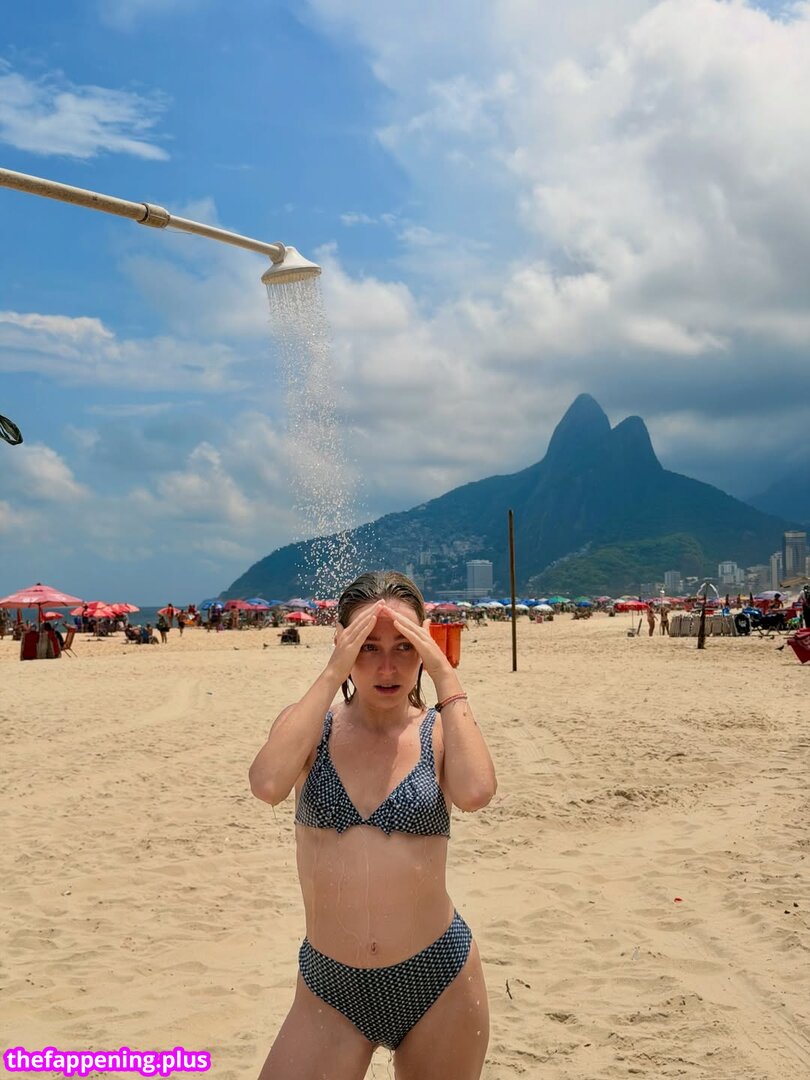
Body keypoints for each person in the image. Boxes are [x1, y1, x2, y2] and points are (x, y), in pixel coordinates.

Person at [249, 571, 497, 1079]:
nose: (388, 667)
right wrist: (330, 672)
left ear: (424, 646)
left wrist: (444, 674)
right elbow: (267, 784)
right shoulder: (312, 729)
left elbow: (475, 792)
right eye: (368, 648)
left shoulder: (438, 732)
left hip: (438, 978)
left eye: (405, 647)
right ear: (344, 646)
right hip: (329, 988)